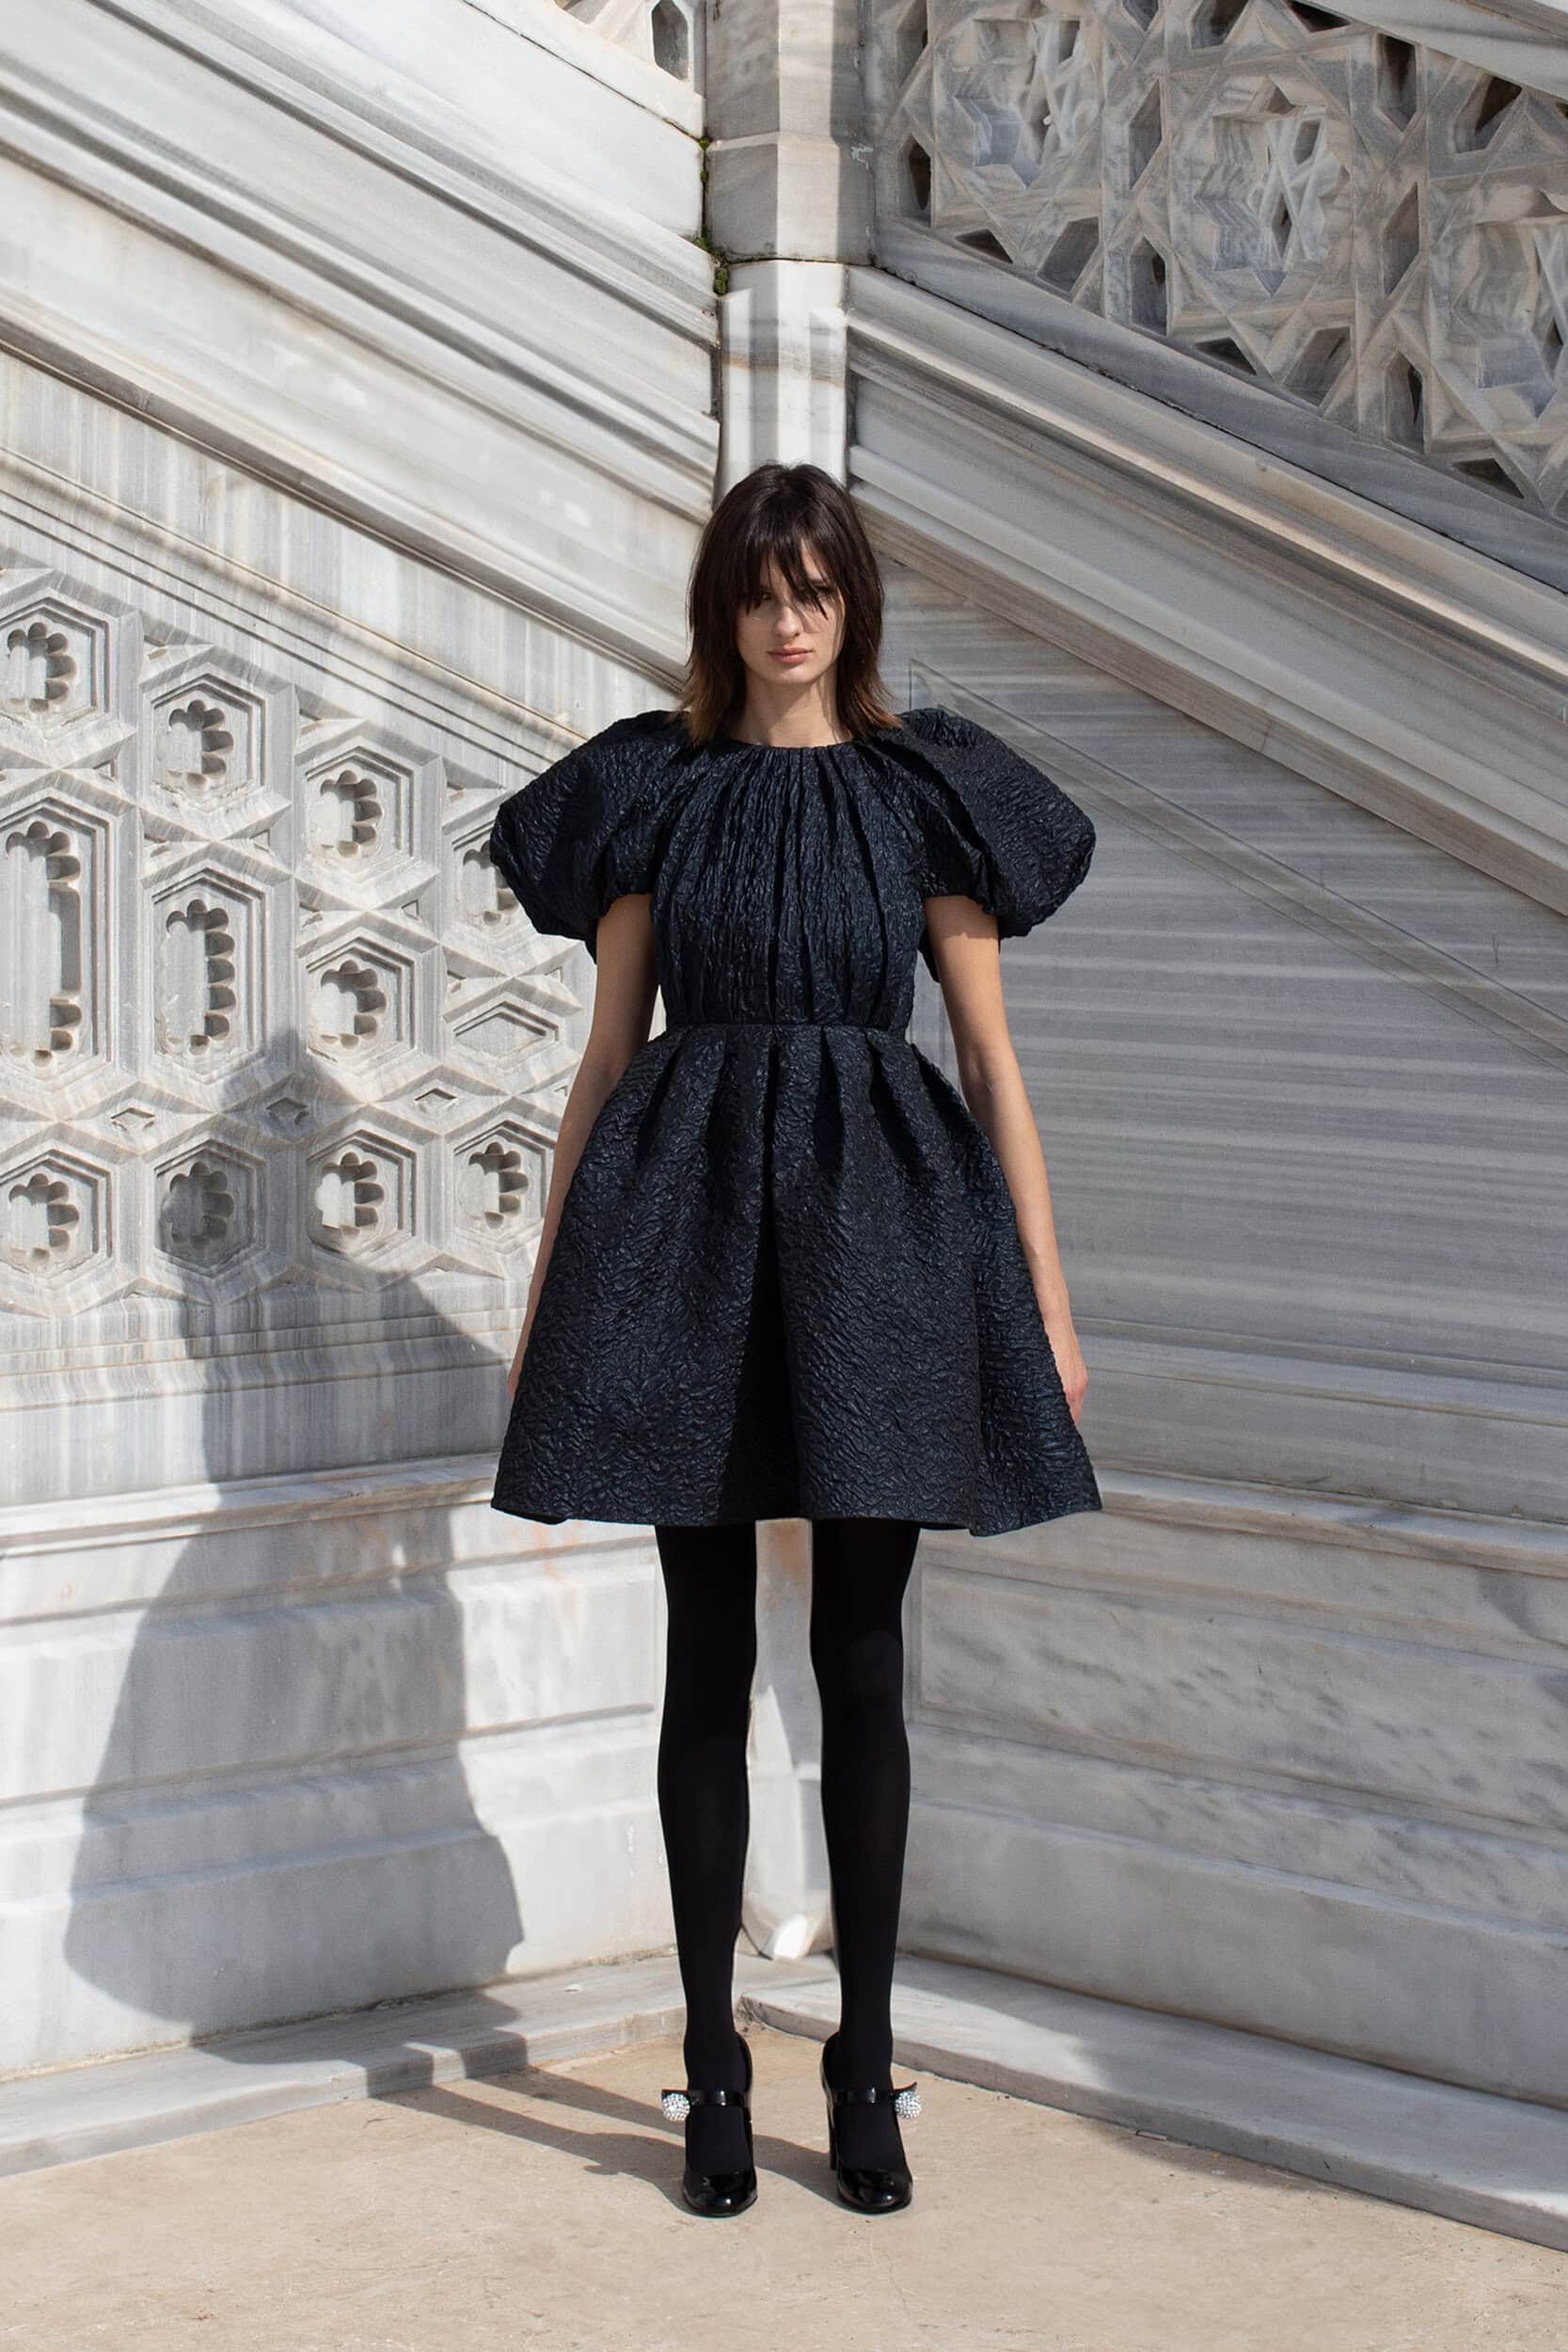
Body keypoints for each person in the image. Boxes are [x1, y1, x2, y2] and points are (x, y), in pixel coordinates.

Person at [486, 462, 1101, 2218]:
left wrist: (1049, 1303)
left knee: (863, 1651)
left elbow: (990, 1065)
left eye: (814, 588)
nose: (787, 620)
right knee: (701, 1650)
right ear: (725, 609)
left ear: (851, 604)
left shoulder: (924, 797)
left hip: (883, 1240)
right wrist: (549, 1295)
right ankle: (712, 2058)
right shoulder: (656, 793)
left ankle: (863, 2055)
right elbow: (607, 1061)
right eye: (760, 592)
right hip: (682, 1235)